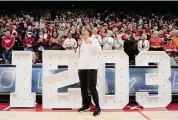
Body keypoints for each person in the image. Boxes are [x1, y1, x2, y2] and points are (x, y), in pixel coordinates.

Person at [77, 27, 101, 116]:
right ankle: (86, 105)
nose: (82, 31)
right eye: (82, 31)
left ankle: (98, 107)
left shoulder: (93, 40)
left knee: (92, 88)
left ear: (89, 33)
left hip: (91, 67)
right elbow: (80, 55)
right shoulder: (82, 43)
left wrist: (90, 43)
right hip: (82, 67)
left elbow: (99, 50)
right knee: (83, 88)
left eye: (84, 30)